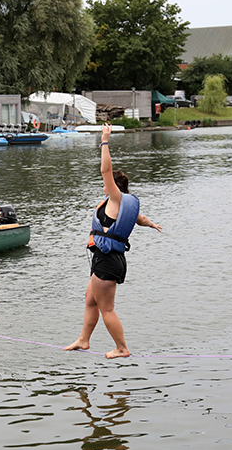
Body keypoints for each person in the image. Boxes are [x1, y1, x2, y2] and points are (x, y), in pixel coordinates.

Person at [65, 124, 162, 359]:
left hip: (108, 261)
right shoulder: (122, 205)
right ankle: (84, 339)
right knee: (90, 300)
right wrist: (152, 224)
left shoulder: (116, 198)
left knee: (106, 308)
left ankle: (122, 348)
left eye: (107, 184)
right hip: (108, 258)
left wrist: (105, 141)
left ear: (114, 186)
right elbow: (140, 219)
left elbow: (105, 171)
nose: (104, 186)